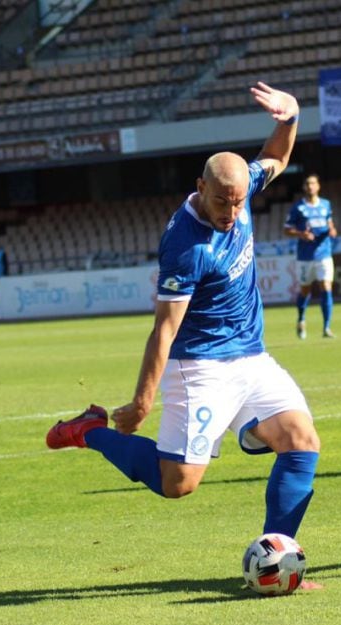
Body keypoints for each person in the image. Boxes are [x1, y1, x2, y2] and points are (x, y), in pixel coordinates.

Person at [46, 82, 322, 561]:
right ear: (201, 189)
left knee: (302, 441)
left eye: (239, 203)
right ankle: (89, 431)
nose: (233, 213)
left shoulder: (237, 188)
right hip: (199, 367)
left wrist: (290, 117)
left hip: (252, 357)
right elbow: (164, 330)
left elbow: (274, 158)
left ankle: (277, 554)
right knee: (178, 484)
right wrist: (140, 403)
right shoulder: (186, 248)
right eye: (223, 203)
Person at [284, 174, 338, 338]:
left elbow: (330, 224)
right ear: (304, 187)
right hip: (305, 256)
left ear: (318, 186)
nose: (310, 186)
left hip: (324, 253)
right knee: (305, 291)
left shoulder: (326, 204)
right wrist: (301, 234)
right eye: (307, 184)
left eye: (313, 183)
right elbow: (286, 229)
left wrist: (333, 230)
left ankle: (326, 327)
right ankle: (301, 319)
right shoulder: (298, 207)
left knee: (326, 287)